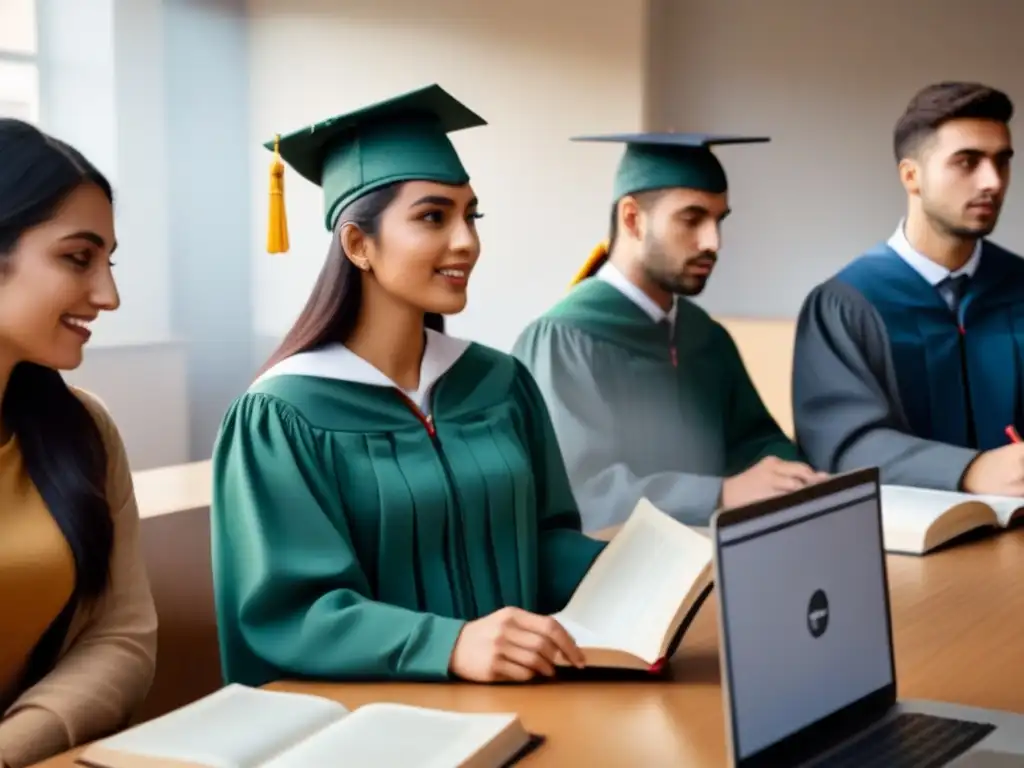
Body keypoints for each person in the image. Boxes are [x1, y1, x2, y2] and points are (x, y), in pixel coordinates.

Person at [210, 84, 606, 689]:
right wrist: (449, 645)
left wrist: (650, 572)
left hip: (529, 696)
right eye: (432, 216)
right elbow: (291, 611)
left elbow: (545, 543)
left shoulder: (499, 383)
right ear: (358, 244)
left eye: (470, 214)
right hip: (377, 724)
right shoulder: (281, 415)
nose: (467, 240)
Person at [512, 132, 823, 532]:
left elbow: (754, 439)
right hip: (615, 575)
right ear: (632, 219)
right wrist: (720, 495)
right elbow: (580, 490)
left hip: (721, 561)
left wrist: (793, 478)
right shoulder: (564, 339)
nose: (714, 242)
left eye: (718, 220)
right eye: (692, 219)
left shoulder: (704, 335)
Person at [0, 119, 157, 768]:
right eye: (77, 258)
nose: (109, 295)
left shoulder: (84, 433)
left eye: (108, 262)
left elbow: (120, 637)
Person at [792, 81, 1024, 494]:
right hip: (905, 547)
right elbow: (841, 442)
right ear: (911, 176)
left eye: (1001, 161)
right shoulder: (846, 303)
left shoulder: (1017, 285)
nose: (992, 181)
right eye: (967, 162)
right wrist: (971, 470)